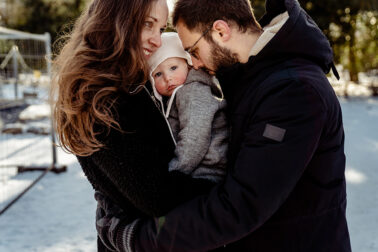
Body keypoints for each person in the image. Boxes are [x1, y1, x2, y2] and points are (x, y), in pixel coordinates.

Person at [95, 0, 352, 251]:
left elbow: (239, 206)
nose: (193, 64)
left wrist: (138, 239)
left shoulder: (292, 91)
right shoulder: (251, 78)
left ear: (220, 30)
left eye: (193, 51)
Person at [52, 0, 218, 251]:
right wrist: (231, 190)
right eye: (147, 24)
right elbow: (158, 196)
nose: (157, 40)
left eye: (161, 29)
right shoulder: (102, 97)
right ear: (115, 20)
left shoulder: (130, 80)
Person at [148, 32, 228, 182]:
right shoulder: (176, 95)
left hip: (208, 171)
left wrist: (173, 172)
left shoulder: (192, 91)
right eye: (158, 74)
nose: (168, 78)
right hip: (195, 168)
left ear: (188, 65)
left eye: (173, 68)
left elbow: (195, 137)